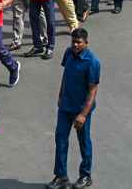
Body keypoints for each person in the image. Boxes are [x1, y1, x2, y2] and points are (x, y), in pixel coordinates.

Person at [46, 29, 100, 189]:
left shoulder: (92, 62)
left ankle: (85, 175)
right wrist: (60, 95)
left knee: (84, 142)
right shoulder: (69, 53)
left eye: (79, 42)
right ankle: (61, 176)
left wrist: (83, 114)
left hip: (81, 110)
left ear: (86, 43)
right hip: (65, 107)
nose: (75, 45)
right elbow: (65, 75)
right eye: (73, 42)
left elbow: (93, 90)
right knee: (60, 140)